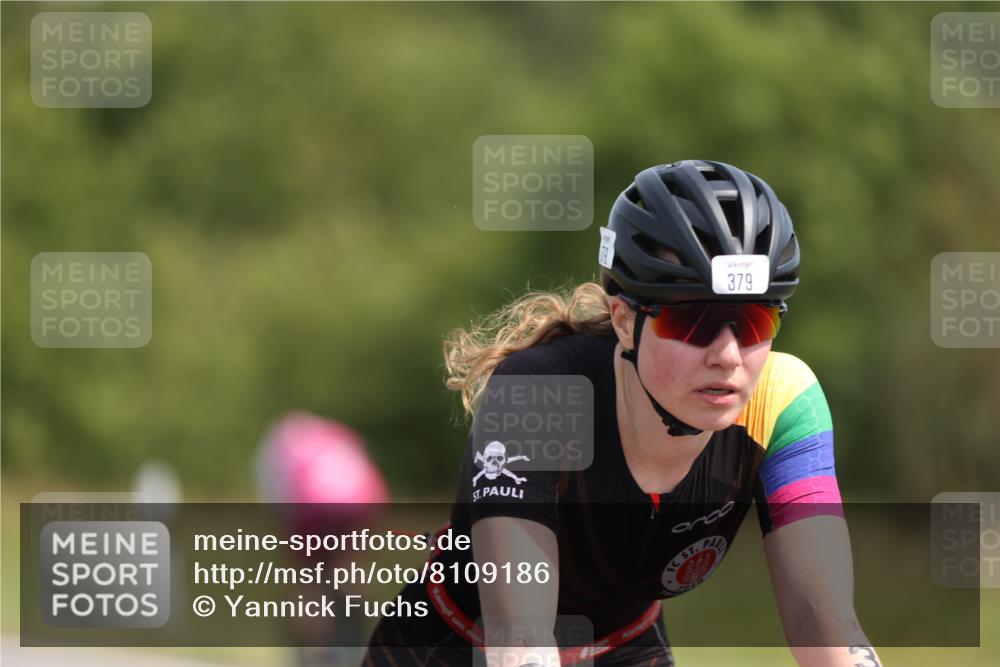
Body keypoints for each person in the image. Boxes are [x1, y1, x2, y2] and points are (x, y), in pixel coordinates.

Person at [362, 160, 882, 666]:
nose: (727, 355)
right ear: (624, 321)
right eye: (693, 322)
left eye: (754, 322)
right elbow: (519, 640)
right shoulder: (539, 393)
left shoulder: (784, 400)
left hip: (626, 645)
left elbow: (826, 628)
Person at [256, 411, 389, 667]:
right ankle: (353, 643)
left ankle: (312, 654)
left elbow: (275, 500)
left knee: (306, 582)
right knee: (350, 572)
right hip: (361, 497)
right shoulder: (335, 434)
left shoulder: (279, 444)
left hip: (311, 503)